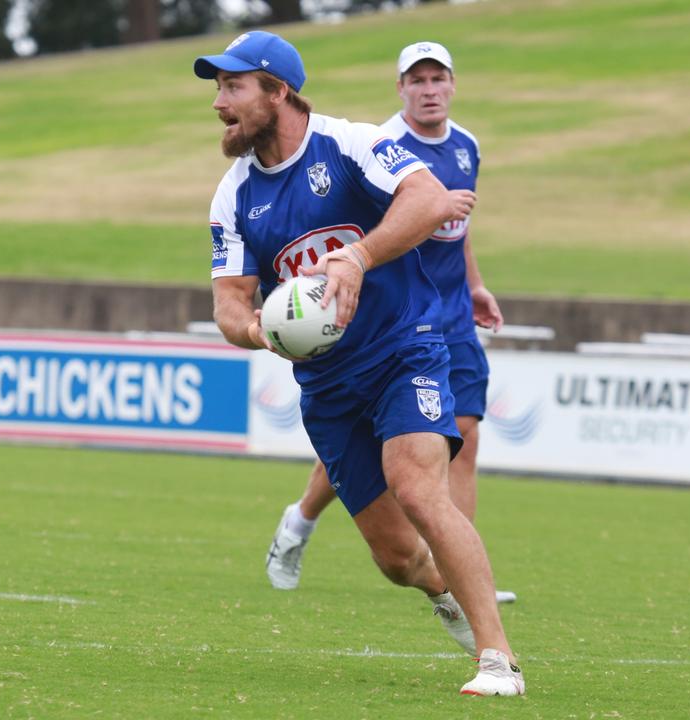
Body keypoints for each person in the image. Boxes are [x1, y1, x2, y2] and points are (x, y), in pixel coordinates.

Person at [197, 31, 524, 696]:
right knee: (398, 558)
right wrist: (263, 331)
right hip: (326, 386)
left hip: (405, 349)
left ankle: (498, 660)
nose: (219, 104)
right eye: (218, 89)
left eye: (233, 87)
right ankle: (446, 591)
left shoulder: (349, 143)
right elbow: (229, 306)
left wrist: (358, 256)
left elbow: (430, 201)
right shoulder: (233, 198)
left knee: (418, 487)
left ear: (277, 91)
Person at [266, 41, 516, 605]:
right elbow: (386, 228)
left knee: (463, 439)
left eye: (438, 78)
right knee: (379, 446)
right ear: (400, 88)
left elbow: (460, 227)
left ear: (452, 84)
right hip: (397, 318)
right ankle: (300, 518)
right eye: (417, 80)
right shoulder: (379, 146)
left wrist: (475, 283)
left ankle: (459, 573)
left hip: (452, 313)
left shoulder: (467, 145)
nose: (429, 90)